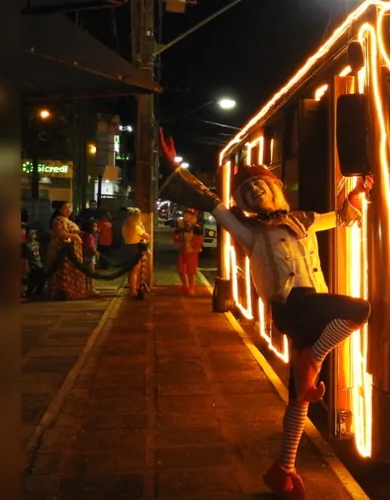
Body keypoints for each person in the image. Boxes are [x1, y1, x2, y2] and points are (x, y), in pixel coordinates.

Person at [158, 128, 372, 500]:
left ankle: (283, 468)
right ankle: (313, 357)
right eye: (249, 190)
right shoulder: (249, 231)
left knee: (299, 399)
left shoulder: (305, 220)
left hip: (313, 302)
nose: (256, 191)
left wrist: (357, 193)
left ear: (274, 189)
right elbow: (210, 202)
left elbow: (341, 217)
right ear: (245, 201)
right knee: (359, 308)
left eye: (261, 185)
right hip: (290, 306)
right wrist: (173, 163)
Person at [45, 202, 88, 301]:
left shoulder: (67, 220)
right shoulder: (58, 220)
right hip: (62, 250)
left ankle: (73, 292)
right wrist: (75, 236)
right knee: (63, 271)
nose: (68, 210)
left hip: (72, 249)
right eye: (66, 208)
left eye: (69, 208)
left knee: (74, 269)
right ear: (60, 209)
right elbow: (61, 232)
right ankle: (62, 293)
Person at [122, 207, 151, 298]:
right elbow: (146, 236)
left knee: (131, 271)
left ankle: (131, 289)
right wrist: (142, 225)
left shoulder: (125, 226)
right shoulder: (136, 227)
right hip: (135, 248)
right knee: (135, 271)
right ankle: (133, 291)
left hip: (127, 248)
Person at [173, 208, 204, 295]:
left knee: (191, 270)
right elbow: (177, 236)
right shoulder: (182, 225)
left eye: (188, 214)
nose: (185, 215)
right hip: (183, 249)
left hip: (192, 251)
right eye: (185, 214)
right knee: (180, 269)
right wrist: (177, 238)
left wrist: (193, 247)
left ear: (192, 216)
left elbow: (199, 240)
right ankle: (185, 285)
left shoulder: (196, 228)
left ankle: (191, 288)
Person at [23, 229, 45, 298]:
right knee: (32, 278)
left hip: (39, 263)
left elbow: (41, 253)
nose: (33, 236)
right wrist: (27, 265)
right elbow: (25, 256)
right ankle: (29, 292)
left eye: (34, 234)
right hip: (32, 264)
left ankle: (39, 291)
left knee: (41, 277)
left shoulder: (37, 243)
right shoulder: (26, 245)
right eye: (32, 234)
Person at [81, 219, 101, 295]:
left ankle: (87, 288)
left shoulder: (85, 235)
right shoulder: (90, 236)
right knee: (91, 273)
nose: (96, 228)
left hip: (85, 256)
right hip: (89, 256)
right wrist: (97, 254)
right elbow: (91, 247)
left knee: (87, 274)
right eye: (95, 226)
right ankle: (91, 288)